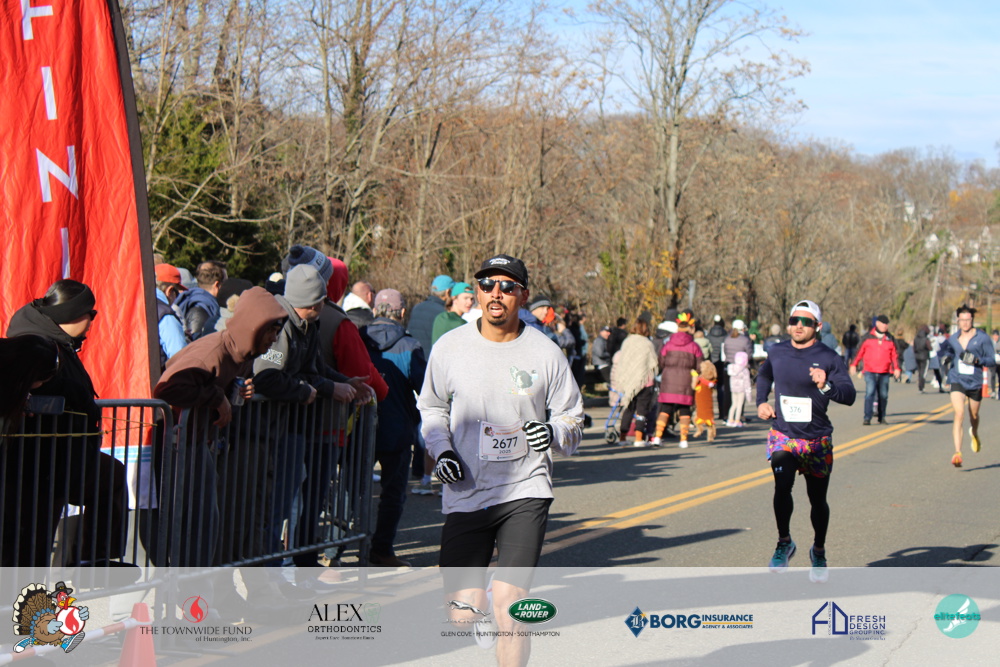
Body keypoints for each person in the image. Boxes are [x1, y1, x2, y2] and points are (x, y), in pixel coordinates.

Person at [418, 253, 583, 664]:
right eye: (488, 284)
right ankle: (486, 600)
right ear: (476, 292)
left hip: (525, 488)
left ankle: (502, 601)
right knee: (461, 612)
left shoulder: (545, 352)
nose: (497, 293)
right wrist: (442, 450)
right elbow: (431, 408)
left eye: (508, 287)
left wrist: (553, 433)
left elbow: (572, 417)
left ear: (522, 296)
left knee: (514, 610)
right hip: (467, 489)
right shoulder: (450, 347)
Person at [5, 280, 128, 567]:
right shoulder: (37, 344)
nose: (92, 321)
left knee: (110, 476)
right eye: (90, 314)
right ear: (71, 314)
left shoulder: (57, 342)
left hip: (63, 457)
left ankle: (89, 562)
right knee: (28, 546)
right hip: (37, 462)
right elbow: (21, 388)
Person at [756, 299, 856, 584]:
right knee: (782, 484)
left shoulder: (828, 357)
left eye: (806, 322)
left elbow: (849, 395)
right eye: (794, 321)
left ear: (818, 326)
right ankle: (784, 542)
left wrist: (826, 384)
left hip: (816, 440)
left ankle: (819, 550)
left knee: (817, 500)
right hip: (784, 435)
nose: (798, 326)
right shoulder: (777, 351)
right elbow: (764, 374)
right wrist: (761, 401)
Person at [360, 289, 427, 566]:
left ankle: (334, 553)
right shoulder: (410, 345)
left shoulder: (357, 338)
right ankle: (381, 550)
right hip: (397, 429)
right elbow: (424, 388)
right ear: (402, 313)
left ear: (375, 310)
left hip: (359, 428)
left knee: (350, 491)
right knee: (393, 494)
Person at [938, 305, 996, 467]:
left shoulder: (982, 338)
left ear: (972, 320)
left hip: (975, 381)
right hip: (957, 379)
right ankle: (958, 452)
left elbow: (992, 360)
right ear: (958, 320)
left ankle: (974, 432)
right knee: (959, 414)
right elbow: (947, 352)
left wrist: (977, 360)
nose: (965, 323)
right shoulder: (953, 339)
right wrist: (946, 358)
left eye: (968, 320)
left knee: (974, 416)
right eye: (962, 320)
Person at [649, 312, 701, 447]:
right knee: (684, 409)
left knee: (665, 408)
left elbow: (661, 361)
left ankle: (657, 437)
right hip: (686, 381)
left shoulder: (668, 344)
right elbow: (699, 365)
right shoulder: (694, 346)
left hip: (668, 380)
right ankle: (683, 439)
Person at [611, 319, 660, 447]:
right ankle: (638, 438)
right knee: (642, 410)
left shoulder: (627, 342)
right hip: (645, 382)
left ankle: (622, 437)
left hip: (629, 382)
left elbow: (623, 361)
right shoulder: (647, 343)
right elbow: (653, 362)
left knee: (628, 408)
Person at [850, 314, 900, 425]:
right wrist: (854, 364)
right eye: (883, 323)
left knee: (883, 395)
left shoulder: (890, 338)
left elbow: (895, 355)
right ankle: (867, 417)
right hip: (870, 370)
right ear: (877, 324)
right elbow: (859, 352)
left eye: (886, 324)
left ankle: (882, 417)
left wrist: (897, 368)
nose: (885, 326)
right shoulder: (867, 337)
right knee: (870, 393)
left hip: (884, 371)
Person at [173, 260, 227, 340]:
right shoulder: (199, 310)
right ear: (217, 285)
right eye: (225, 283)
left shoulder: (199, 302)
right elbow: (196, 343)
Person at [154, 263, 188, 367]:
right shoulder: (166, 316)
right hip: (159, 375)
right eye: (177, 294)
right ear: (170, 291)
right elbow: (180, 359)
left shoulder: (135, 305)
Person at [408, 274, 454, 353]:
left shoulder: (416, 308)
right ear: (448, 292)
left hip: (415, 355)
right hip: (432, 357)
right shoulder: (444, 314)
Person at [706, 315, 728, 419]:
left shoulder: (709, 336)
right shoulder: (726, 336)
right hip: (722, 364)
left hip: (711, 364)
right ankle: (722, 412)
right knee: (721, 388)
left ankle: (708, 413)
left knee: (708, 388)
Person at [692, 360, 717, 441]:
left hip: (703, 401)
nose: (701, 369)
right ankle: (707, 432)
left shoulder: (703, 380)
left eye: (702, 368)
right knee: (705, 419)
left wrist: (695, 377)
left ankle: (704, 431)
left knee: (700, 418)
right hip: (702, 401)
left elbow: (694, 386)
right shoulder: (710, 381)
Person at [727, 350, 752, 427]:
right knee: (739, 405)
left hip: (733, 389)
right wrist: (749, 395)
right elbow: (747, 383)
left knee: (734, 404)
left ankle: (730, 419)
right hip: (741, 389)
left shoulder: (731, 368)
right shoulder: (745, 370)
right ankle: (737, 420)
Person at [912, 325, 933, 393]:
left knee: (920, 371)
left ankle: (920, 387)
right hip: (924, 357)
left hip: (917, 356)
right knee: (923, 372)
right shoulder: (926, 339)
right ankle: (921, 387)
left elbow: (914, 348)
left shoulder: (916, 338)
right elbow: (930, 348)